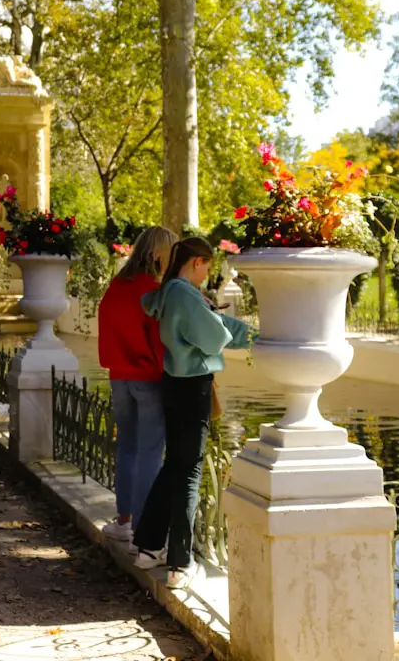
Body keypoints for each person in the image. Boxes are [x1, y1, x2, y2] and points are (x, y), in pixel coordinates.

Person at [132, 237, 252, 590]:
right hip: (191, 386)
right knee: (189, 472)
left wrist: (242, 332)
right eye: (208, 267)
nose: (208, 275)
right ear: (197, 262)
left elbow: (212, 325)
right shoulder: (183, 293)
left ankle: (149, 546)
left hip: (175, 383)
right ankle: (180, 565)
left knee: (176, 466)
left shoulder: (170, 291)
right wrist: (245, 335)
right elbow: (214, 336)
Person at [98, 226, 178, 543]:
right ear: (157, 253)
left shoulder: (117, 285)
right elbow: (160, 342)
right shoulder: (152, 290)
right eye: (171, 253)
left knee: (127, 448)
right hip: (148, 378)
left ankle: (124, 520)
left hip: (119, 376)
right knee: (150, 453)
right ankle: (144, 527)